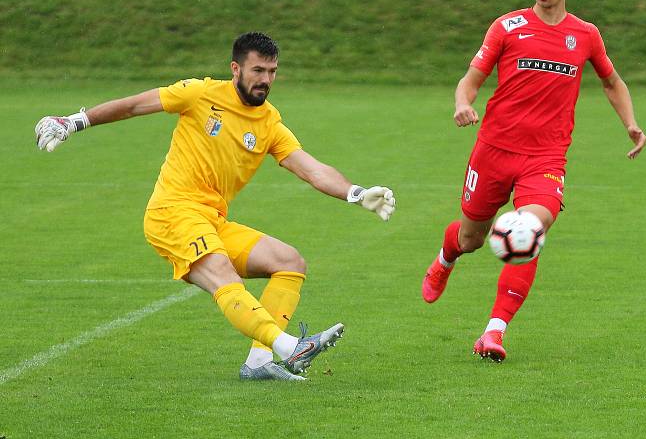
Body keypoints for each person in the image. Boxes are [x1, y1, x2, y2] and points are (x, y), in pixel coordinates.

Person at [34, 32, 396, 381]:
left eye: (272, 72)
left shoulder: (269, 121)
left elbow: (310, 167)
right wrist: (74, 122)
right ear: (236, 69)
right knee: (223, 273)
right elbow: (133, 105)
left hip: (212, 219)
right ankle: (291, 347)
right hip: (172, 213)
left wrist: (356, 193)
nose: (266, 80)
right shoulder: (199, 93)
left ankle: (259, 361)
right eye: (258, 71)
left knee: (289, 262)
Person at [421, 0, 646, 363]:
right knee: (471, 238)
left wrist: (630, 123)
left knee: (527, 232)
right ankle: (445, 256)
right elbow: (471, 78)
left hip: (545, 159)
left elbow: (612, 82)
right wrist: (462, 104)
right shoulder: (506, 27)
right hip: (492, 151)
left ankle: (493, 332)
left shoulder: (585, 35)